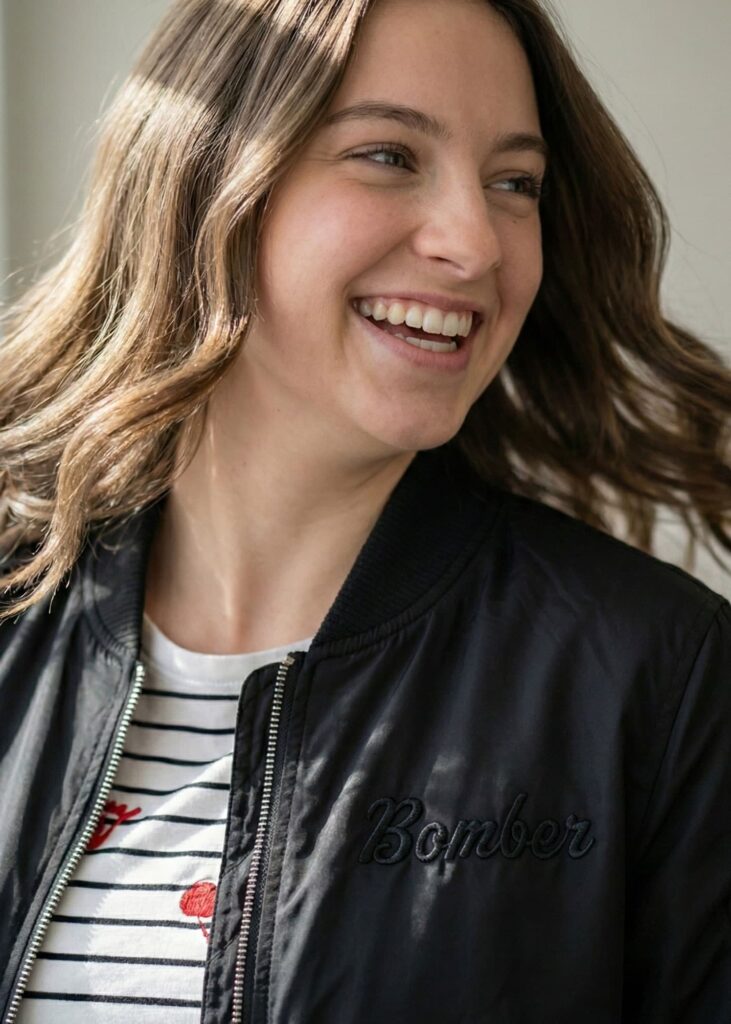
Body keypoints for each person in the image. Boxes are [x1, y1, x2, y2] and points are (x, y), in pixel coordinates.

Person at [0, 0, 729, 1020]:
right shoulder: (14, 607)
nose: (474, 242)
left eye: (514, 183)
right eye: (387, 154)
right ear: (204, 178)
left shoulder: (652, 674)